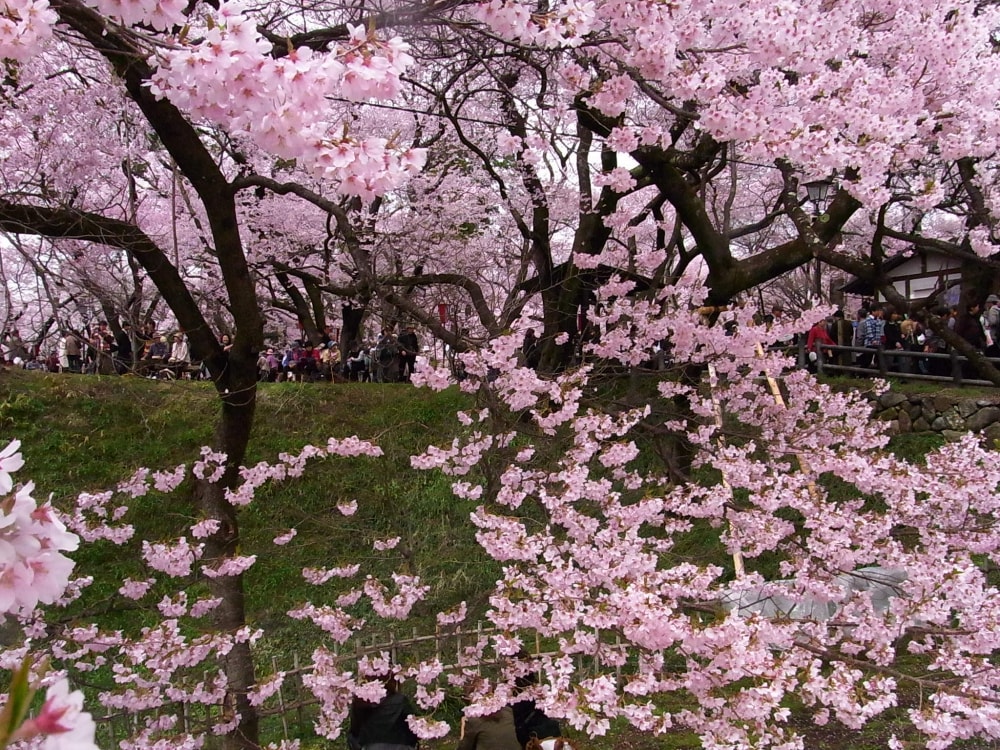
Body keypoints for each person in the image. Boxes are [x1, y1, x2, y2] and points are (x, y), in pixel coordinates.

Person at [346, 676, 418, 750]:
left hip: (370, 746)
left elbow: (355, 730)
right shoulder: (400, 700)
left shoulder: (360, 701)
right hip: (400, 746)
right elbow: (414, 727)